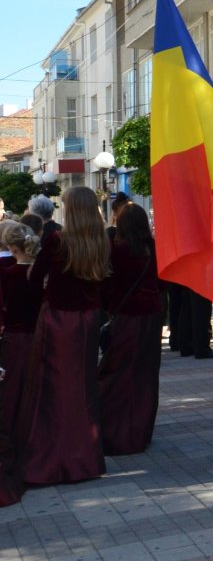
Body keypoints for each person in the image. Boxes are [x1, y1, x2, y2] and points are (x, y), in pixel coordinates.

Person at [17, 186, 110, 484]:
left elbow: (32, 281)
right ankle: (84, 457)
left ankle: (54, 457)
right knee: (82, 387)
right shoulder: (101, 241)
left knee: (53, 390)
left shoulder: (58, 240)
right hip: (89, 320)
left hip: (59, 321)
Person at [97, 204, 164, 456]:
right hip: (152, 316)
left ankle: (117, 433)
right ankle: (142, 431)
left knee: (118, 372)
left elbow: (106, 285)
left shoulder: (116, 250)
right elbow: (162, 282)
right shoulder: (154, 248)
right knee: (146, 374)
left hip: (126, 317)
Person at [0, 225, 41, 456]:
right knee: (37, 390)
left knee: (13, 393)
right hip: (41, 338)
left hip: (15, 341)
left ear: (12, 248)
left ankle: (14, 438)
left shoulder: (7, 275)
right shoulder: (41, 274)